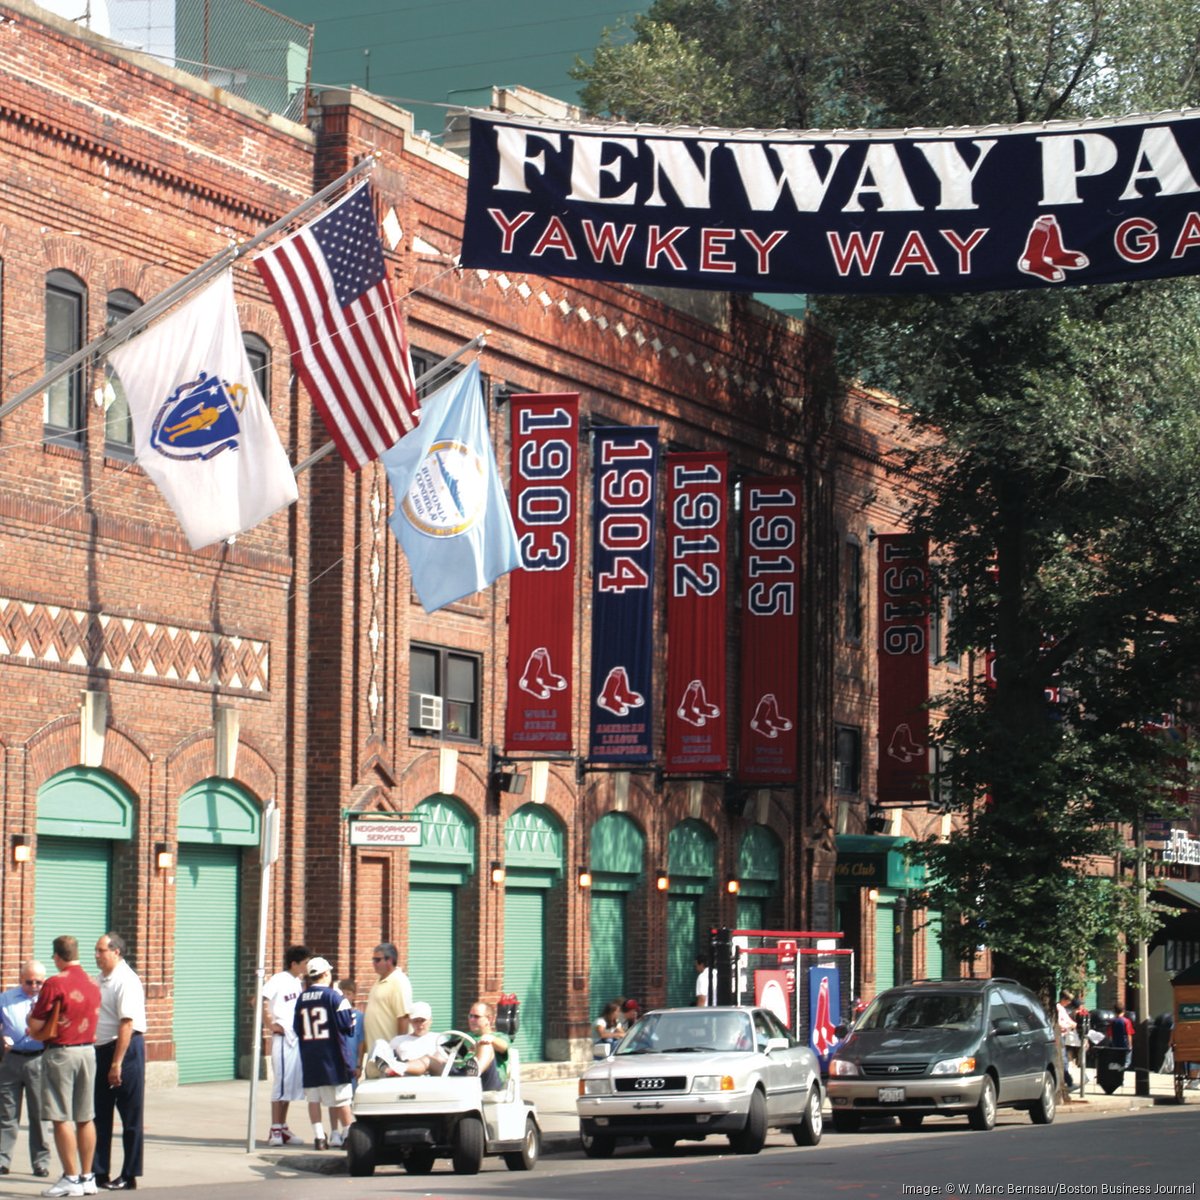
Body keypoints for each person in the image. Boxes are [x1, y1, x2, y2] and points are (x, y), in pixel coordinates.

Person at [27, 935, 102, 1199]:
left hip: (62, 1052)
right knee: (85, 1116)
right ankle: (87, 1176)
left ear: (58, 956)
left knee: (60, 1117)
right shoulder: (93, 982)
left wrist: (30, 1021)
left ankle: (70, 1177)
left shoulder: (55, 983)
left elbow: (36, 1025)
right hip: (88, 1052)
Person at [92, 935, 146, 1191]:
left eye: (101, 950)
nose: (96, 955)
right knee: (100, 1115)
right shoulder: (101, 980)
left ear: (116, 952)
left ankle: (129, 1174)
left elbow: (127, 1023)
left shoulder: (126, 980)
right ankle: (99, 1171)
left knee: (130, 1116)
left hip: (125, 1051)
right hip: (102, 1050)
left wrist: (117, 1064)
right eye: (96, 950)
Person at [292, 958, 355, 1152]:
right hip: (333, 1057)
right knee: (342, 1099)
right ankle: (348, 1135)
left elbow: (297, 1028)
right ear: (326, 974)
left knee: (313, 1099)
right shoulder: (335, 997)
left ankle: (319, 1137)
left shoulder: (301, 999)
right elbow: (348, 1025)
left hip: (310, 1056)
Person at [0, 960, 52, 1178]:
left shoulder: (48, 1001)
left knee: (39, 1114)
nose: (34, 987)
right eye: (29, 982)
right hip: (11, 1059)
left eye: (38, 982)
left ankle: (40, 1161)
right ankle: (3, 1159)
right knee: (6, 1112)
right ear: (21, 980)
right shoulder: (6, 999)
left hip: (38, 1059)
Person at [400, 1000, 509, 1091]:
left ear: (489, 1019)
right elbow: (443, 1054)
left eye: (476, 1017)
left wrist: (491, 1039)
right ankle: (398, 1067)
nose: (471, 1020)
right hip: (462, 1075)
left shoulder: (498, 1036)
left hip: (486, 1080)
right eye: (470, 1016)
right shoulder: (465, 1038)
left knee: (485, 1046)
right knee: (430, 1059)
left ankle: (475, 1072)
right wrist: (435, 1060)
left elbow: (504, 1047)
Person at [262, 945, 311, 1147]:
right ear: (294, 963)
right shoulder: (278, 979)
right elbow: (261, 1000)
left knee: (289, 1085)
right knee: (280, 1084)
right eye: (305, 962)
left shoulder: (298, 982)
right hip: (283, 1038)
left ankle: (282, 1127)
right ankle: (274, 1128)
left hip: (295, 1038)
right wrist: (270, 1024)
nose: (308, 966)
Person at [361, 943, 412, 1079]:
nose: (374, 963)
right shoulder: (379, 981)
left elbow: (403, 1017)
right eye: (373, 960)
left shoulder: (399, 982)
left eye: (377, 960)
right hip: (375, 1055)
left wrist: (397, 1052)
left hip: (388, 1057)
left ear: (389, 960)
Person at [328, 980, 365, 1147]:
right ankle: (334, 1131)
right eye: (343, 993)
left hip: (351, 1063)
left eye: (349, 994)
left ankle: (348, 1131)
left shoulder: (358, 1016)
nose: (345, 996)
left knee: (350, 1099)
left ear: (354, 996)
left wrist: (359, 1064)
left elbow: (360, 1042)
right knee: (334, 1099)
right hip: (336, 1062)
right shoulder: (332, 1015)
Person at [370, 1001, 440, 1076]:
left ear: (430, 1020)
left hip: (430, 1077)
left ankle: (394, 1068)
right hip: (402, 1078)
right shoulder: (398, 1040)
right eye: (416, 1021)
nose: (420, 1025)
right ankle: (376, 1069)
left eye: (423, 1020)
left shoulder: (438, 1038)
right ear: (410, 1021)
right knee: (380, 1043)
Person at [1055, 989, 1078, 1089]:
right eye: (1068, 1000)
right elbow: (1059, 1023)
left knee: (1064, 1058)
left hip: (1063, 1036)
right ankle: (1068, 1081)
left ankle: (1067, 1080)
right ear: (1064, 999)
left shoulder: (1062, 1009)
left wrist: (1072, 1023)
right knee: (1063, 1059)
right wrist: (1069, 1026)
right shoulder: (1058, 1008)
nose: (1069, 1003)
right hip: (1059, 1036)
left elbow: (1068, 1020)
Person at [1109, 1005, 1135, 1070]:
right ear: (1124, 1011)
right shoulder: (1127, 1021)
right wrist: (1130, 1045)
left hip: (1116, 1045)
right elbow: (1129, 1034)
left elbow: (1110, 1035)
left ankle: (1118, 1068)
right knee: (1127, 1060)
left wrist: (1111, 1044)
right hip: (1125, 1044)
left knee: (1117, 1059)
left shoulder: (1112, 1022)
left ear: (1114, 1011)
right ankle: (1125, 1067)